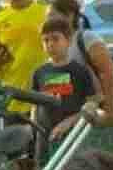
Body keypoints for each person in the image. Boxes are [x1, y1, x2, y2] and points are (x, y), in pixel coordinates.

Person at [0, 0, 49, 115]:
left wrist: (61, 92)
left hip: (47, 98)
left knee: (53, 136)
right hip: (13, 102)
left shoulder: (47, 13)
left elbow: (63, 55)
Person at [32, 16, 100, 150]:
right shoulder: (39, 72)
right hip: (44, 139)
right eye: (46, 40)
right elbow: (36, 105)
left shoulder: (80, 71)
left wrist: (69, 122)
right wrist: (35, 130)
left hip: (71, 140)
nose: (50, 44)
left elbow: (92, 104)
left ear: (68, 41)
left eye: (56, 39)